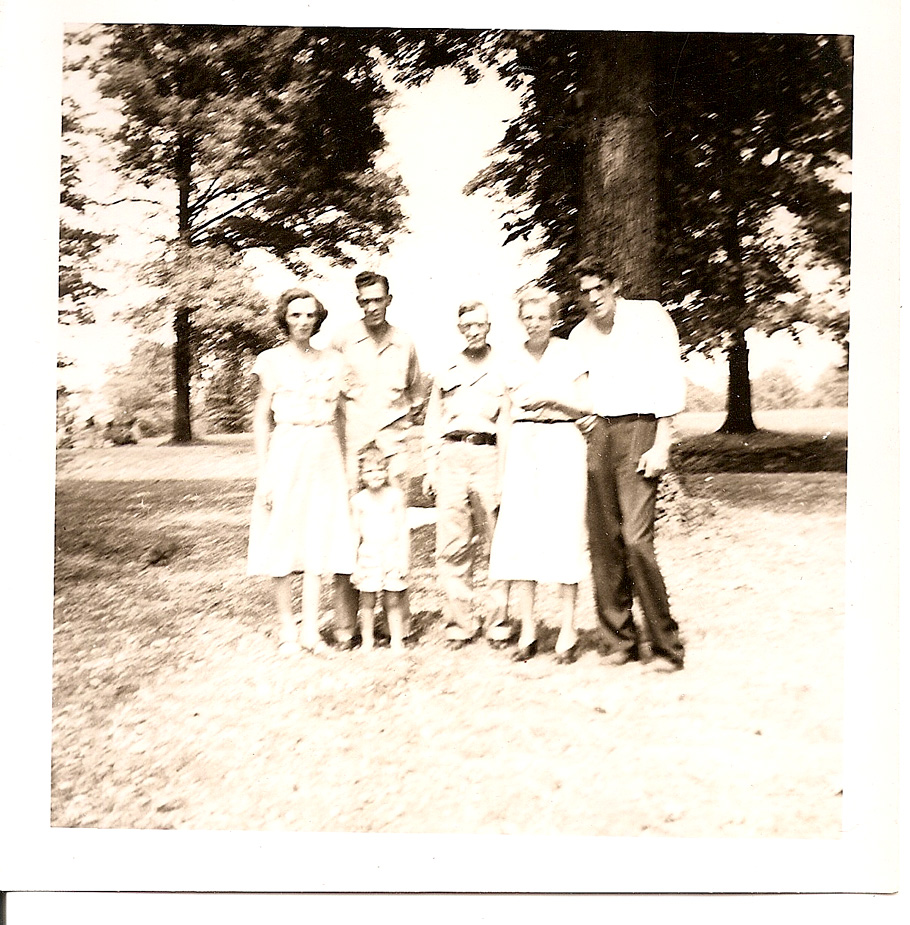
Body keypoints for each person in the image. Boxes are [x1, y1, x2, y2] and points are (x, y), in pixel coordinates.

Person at [568, 259, 686, 673]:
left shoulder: (650, 316)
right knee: (604, 539)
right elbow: (580, 391)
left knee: (636, 538)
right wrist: (588, 428)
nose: (593, 297)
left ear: (615, 285)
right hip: (600, 432)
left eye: (599, 287)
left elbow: (670, 378)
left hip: (642, 427)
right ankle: (619, 640)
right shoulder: (579, 334)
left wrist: (662, 444)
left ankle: (666, 645)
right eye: (585, 291)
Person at [247, 288, 355, 654]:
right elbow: (262, 417)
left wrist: (346, 464)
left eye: (309, 315)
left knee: (317, 540)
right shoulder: (271, 361)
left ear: (317, 318)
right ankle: (287, 631)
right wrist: (264, 472)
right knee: (282, 535)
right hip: (287, 450)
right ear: (285, 318)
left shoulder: (335, 361)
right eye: (295, 315)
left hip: (323, 451)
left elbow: (342, 416)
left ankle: (311, 630)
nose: (303, 322)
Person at [489, 286, 591, 664]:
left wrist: (553, 400)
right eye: (528, 317)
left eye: (542, 317)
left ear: (554, 320)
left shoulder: (568, 352)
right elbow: (502, 417)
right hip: (522, 443)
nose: (535, 324)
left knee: (565, 532)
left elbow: (586, 405)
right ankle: (529, 630)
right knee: (521, 535)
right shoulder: (510, 358)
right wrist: (501, 474)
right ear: (520, 320)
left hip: (562, 442)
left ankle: (567, 629)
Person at [330, 271, 425, 648]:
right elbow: (331, 393)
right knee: (351, 533)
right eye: (363, 300)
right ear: (357, 302)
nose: (371, 306)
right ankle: (345, 626)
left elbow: (417, 393)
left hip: (393, 451)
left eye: (376, 299)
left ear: (389, 299)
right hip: (353, 449)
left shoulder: (405, 343)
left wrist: (398, 428)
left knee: (394, 532)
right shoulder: (341, 341)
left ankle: (397, 625)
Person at [423, 301, 511, 648]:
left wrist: (505, 472)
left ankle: (497, 623)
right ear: (459, 329)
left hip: (489, 455)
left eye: (479, 324)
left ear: (489, 325)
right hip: (452, 457)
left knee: (496, 543)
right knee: (452, 544)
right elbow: (432, 420)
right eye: (466, 326)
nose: (473, 330)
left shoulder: (504, 367)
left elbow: (507, 421)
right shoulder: (447, 368)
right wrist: (430, 465)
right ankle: (460, 623)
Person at [350, 444, 409, 653]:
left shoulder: (395, 496)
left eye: (380, 469)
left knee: (393, 600)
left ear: (386, 471)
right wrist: (355, 565)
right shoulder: (358, 501)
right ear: (361, 475)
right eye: (369, 470)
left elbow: (403, 529)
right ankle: (368, 641)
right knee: (367, 601)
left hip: (392, 553)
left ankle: (397, 641)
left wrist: (403, 560)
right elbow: (355, 533)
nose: (375, 474)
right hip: (368, 555)